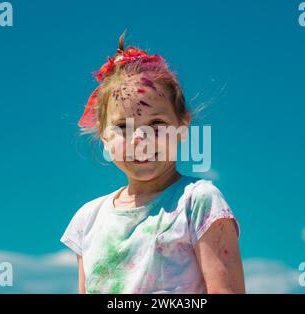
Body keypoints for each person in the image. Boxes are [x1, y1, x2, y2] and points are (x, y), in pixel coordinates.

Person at [60, 31, 245, 294]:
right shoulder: (87, 219)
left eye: (156, 123)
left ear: (182, 127)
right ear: (103, 136)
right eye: (123, 126)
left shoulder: (198, 202)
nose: (140, 138)